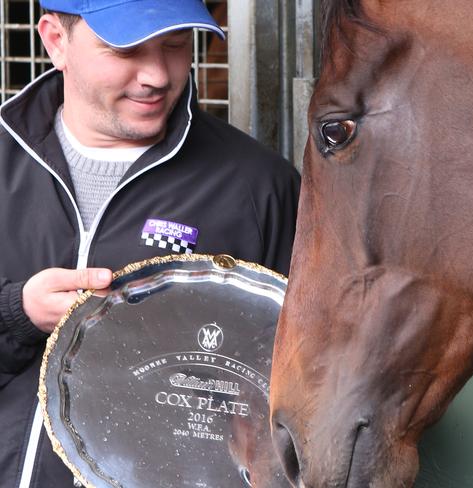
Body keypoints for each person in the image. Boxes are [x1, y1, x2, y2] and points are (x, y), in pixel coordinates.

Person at [0, 0, 300, 486]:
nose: (158, 74)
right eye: (126, 50)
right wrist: (17, 315)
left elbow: (309, 387)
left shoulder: (259, 189)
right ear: (56, 40)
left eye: (176, 45)